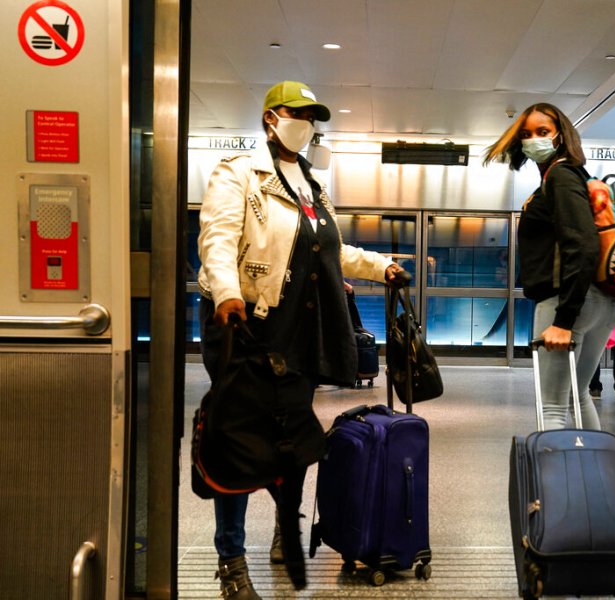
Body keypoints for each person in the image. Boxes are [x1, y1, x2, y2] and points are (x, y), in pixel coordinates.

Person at [197, 80, 403, 598]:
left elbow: (332, 249)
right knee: (238, 443)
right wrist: (225, 291)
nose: (307, 123)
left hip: (299, 334)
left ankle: (283, 534)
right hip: (246, 324)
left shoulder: (311, 184)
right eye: (299, 113)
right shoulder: (240, 172)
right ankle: (231, 559)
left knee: (291, 444)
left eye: (314, 116)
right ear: (271, 116)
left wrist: (382, 266)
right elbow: (217, 237)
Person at [483, 103, 615, 430]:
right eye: (527, 134)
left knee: (554, 408)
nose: (534, 140)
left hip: (567, 301)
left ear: (561, 136)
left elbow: (583, 243)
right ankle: (594, 475)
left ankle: (557, 482)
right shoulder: (574, 175)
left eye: (542, 132)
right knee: (578, 396)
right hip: (602, 300)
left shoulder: (560, 176)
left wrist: (563, 320)